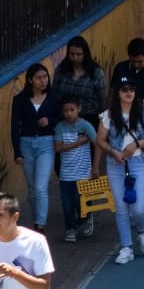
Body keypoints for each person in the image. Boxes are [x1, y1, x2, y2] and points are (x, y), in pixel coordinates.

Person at [96, 76, 144, 265]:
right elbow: (100, 140)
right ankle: (127, 247)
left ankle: (141, 231)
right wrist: (113, 151)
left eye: (131, 89)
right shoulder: (108, 115)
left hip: (138, 162)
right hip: (115, 164)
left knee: (138, 208)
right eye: (124, 89)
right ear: (117, 93)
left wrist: (136, 145)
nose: (129, 92)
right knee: (121, 208)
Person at [10, 63, 61, 231]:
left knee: (40, 187)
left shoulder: (53, 98)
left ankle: (40, 224)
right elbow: (14, 126)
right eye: (39, 78)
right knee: (32, 188)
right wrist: (17, 151)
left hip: (46, 143)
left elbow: (61, 119)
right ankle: (36, 219)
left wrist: (50, 122)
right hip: (26, 144)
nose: (43, 81)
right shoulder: (20, 100)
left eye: (45, 77)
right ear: (30, 80)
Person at [53, 95, 98, 242]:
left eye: (72, 110)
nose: (69, 113)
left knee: (80, 200)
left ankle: (86, 217)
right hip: (66, 174)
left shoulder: (85, 126)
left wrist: (95, 167)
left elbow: (97, 143)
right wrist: (79, 143)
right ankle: (70, 229)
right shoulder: (60, 127)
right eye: (65, 111)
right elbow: (58, 148)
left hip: (83, 172)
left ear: (79, 109)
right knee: (67, 204)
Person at [53, 35, 107, 120]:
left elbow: (103, 101)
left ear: (85, 54)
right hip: (64, 118)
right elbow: (55, 93)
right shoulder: (61, 70)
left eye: (79, 54)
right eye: (72, 54)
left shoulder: (96, 73)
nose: (75, 58)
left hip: (89, 118)